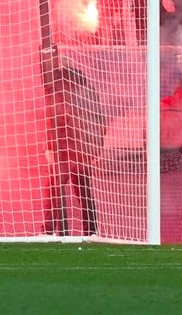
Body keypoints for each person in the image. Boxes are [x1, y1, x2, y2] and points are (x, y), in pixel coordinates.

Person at [45, 56, 105, 237]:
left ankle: (50, 231)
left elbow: (56, 119)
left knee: (54, 190)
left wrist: (50, 146)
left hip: (65, 148)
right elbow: (99, 119)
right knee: (84, 191)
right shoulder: (88, 88)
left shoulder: (58, 88)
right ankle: (91, 231)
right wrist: (96, 146)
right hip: (84, 148)